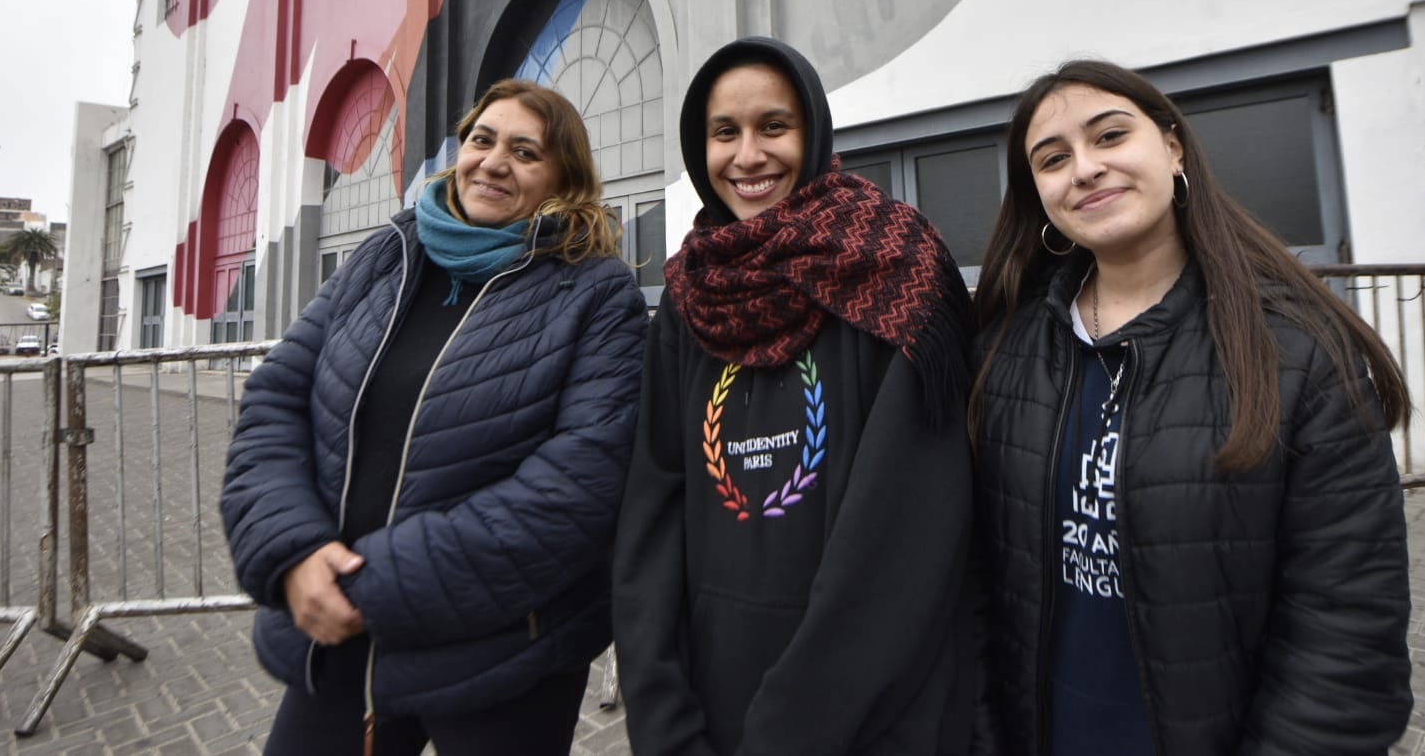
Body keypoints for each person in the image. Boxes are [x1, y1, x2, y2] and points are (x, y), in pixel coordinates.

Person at [970, 59, 1413, 755]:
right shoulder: (1004, 346)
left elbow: (1348, 627)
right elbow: (976, 587)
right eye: (1052, 158)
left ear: (1172, 146)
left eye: (1109, 136)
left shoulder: (1296, 351)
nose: (1084, 168)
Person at [220, 79, 648, 755]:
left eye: (525, 150)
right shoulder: (386, 255)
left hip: (501, 655)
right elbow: (276, 400)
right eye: (482, 138)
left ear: (564, 178)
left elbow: (579, 486)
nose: (494, 160)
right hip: (340, 635)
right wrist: (292, 552)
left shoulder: (595, 292)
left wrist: (370, 583)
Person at [613, 37, 979, 755]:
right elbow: (651, 514)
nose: (748, 156)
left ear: (813, 133)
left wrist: (790, 730)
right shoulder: (691, 293)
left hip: (872, 717)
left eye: (773, 126)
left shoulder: (897, 268)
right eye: (726, 132)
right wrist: (663, 719)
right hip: (709, 714)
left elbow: (903, 542)